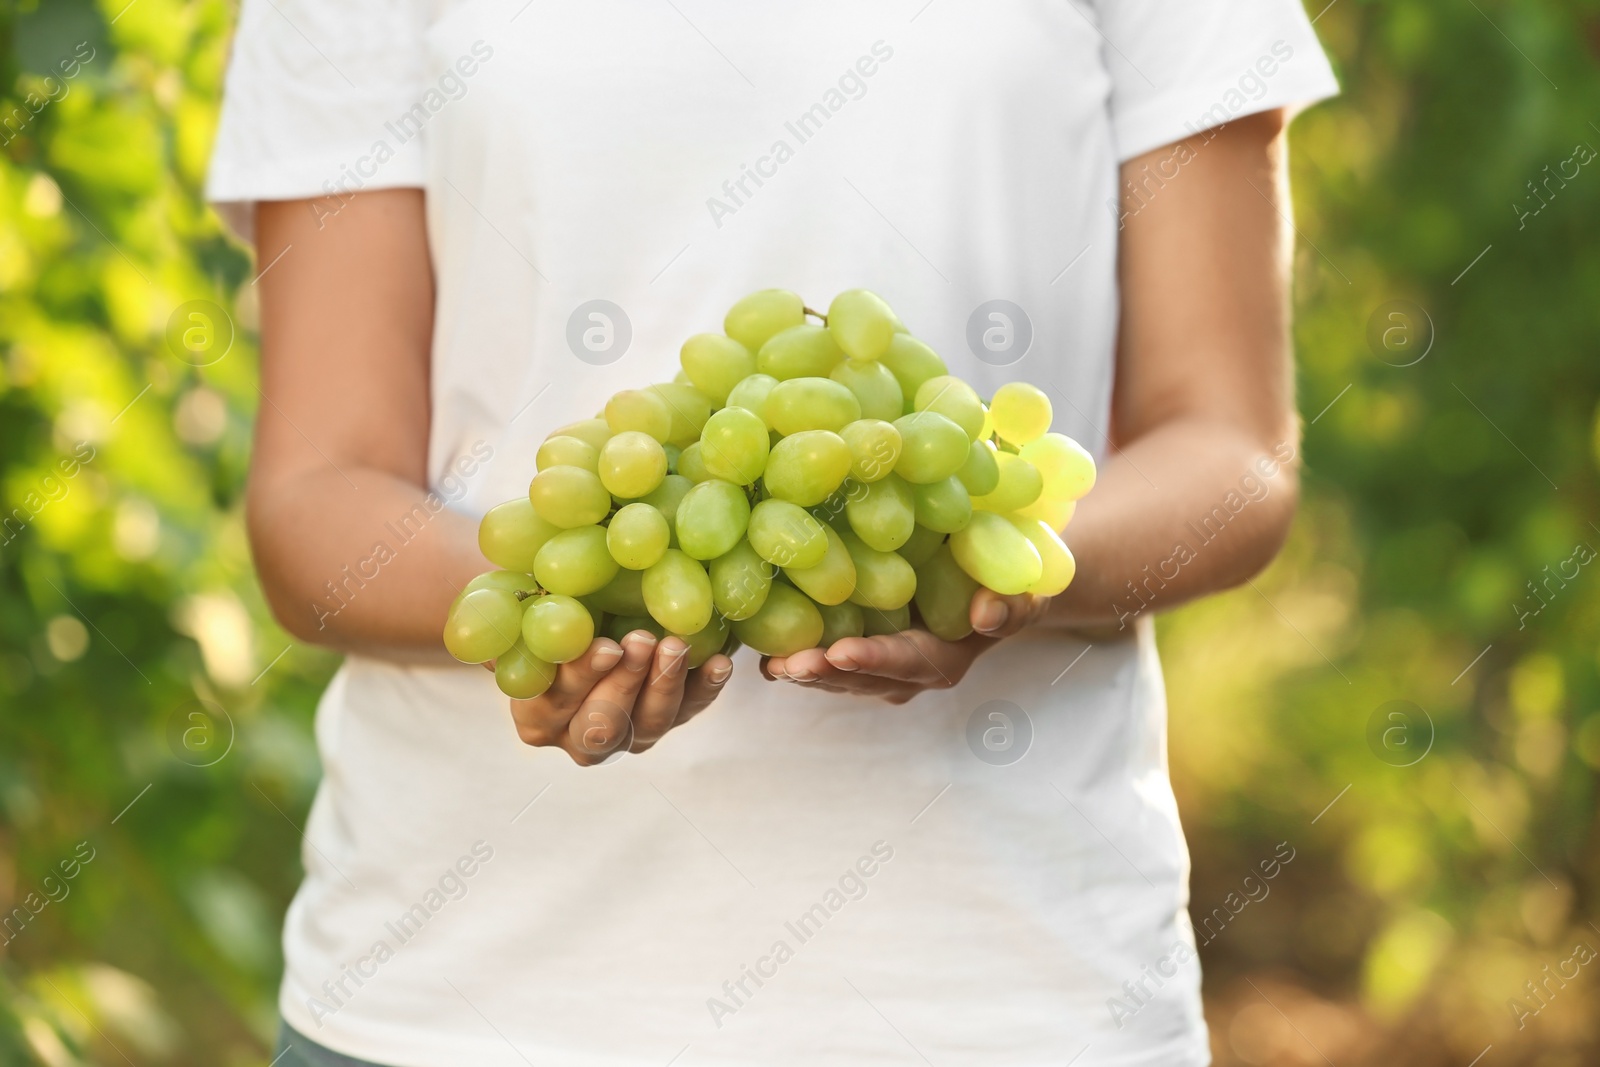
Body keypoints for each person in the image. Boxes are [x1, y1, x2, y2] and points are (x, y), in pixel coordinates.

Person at [208, 1, 1336, 1063]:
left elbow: (1231, 453)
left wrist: (1002, 566)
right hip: (459, 1003)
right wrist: (580, 612)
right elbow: (317, 499)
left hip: (1011, 998)